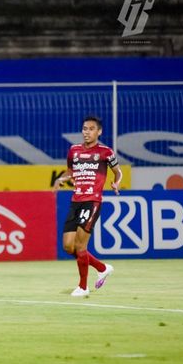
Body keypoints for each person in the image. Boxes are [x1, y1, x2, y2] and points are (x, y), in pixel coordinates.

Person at [54, 115, 122, 297]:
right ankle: (102, 268)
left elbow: (118, 172)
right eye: (85, 128)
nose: (87, 132)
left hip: (92, 201)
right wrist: (62, 178)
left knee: (80, 245)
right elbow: (70, 171)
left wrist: (116, 183)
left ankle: (83, 287)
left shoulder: (106, 152)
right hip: (76, 201)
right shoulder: (73, 150)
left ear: (99, 132)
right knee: (69, 247)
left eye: (91, 129)